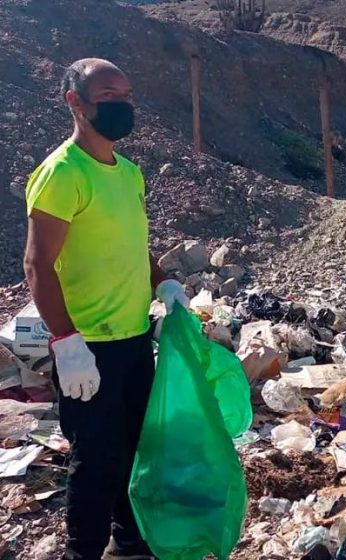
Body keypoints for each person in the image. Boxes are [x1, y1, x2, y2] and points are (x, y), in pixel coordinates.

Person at [23, 58, 189, 560]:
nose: (121, 104)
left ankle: (131, 540)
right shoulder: (62, 173)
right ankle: (82, 551)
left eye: (127, 94)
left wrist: (166, 284)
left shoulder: (130, 173)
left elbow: (130, 244)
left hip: (134, 337)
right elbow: (37, 264)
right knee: (96, 459)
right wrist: (67, 343)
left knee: (136, 445)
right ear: (76, 102)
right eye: (108, 96)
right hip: (89, 346)